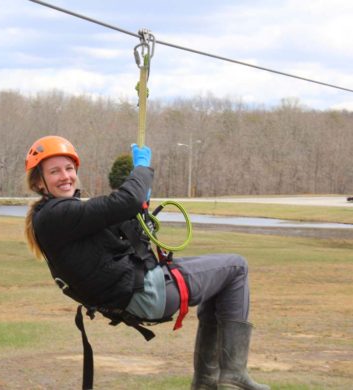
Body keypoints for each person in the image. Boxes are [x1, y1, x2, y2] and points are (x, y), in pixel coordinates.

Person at [24, 135, 269, 390]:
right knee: (236, 268)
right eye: (54, 171)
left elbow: (123, 216)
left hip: (137, 290)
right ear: (39, 182)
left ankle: (207, 382)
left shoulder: (61, 214)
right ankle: (232, 373)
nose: (65, 176)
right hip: (147, 292)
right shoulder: (57, 215)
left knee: (219, 283)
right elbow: (123, 202)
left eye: (69, 168)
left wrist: (140, 206)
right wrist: (141, 169)